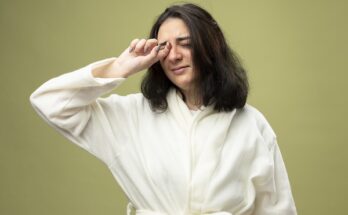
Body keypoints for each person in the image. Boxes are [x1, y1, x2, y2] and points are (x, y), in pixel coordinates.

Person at [30, 3, 297, 215]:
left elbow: (278, 210)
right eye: (164, 47)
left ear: (211, 45)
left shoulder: (252, 124)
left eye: (186, 43)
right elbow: (49, 102)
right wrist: (119, 68)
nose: (174, 55)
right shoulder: (130, 116)